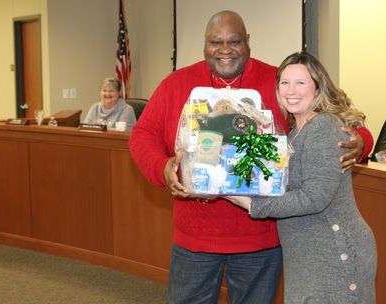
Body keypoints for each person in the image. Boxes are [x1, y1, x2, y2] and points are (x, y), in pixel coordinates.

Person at [129, 10, 373, 304]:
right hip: (195, 237)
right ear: (204, 45)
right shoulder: (176, 84)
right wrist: (162, 167)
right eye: (215, 42)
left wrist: (362, 141)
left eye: (234, 41)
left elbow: (332, 119)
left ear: (248, 42)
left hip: (261, 238)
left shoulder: (278, 81)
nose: (225, 50)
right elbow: (142, 136)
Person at [225, 51, 377, 303]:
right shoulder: (296, 131)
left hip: (334, 251)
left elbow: (314, 197)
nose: (291, 90)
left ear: (317, 88)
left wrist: (253, 205)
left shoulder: (322, 127)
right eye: (285, 82)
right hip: (308, 254)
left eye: (301, 82)